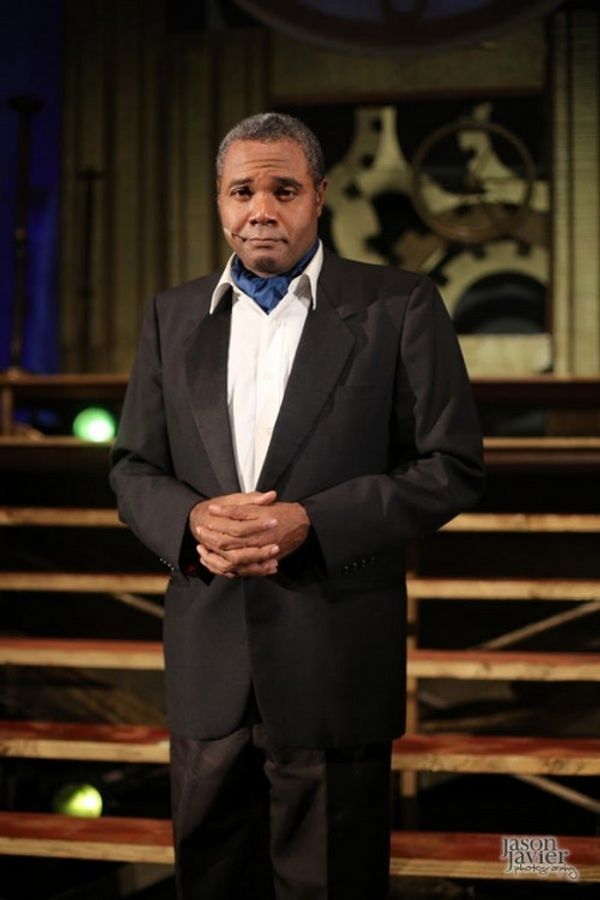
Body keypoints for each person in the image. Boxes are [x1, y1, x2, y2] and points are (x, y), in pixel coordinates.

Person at [110, 112, 485, 900]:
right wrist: (189, 522)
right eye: (241, 191)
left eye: (283, 190)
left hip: (334, 658)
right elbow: (134, 466)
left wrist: (314, 521)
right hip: (208, 661)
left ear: (319, 195)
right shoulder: (172, 315)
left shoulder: (400, 304)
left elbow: (450, 467)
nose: (261, 210)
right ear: (219, 200)